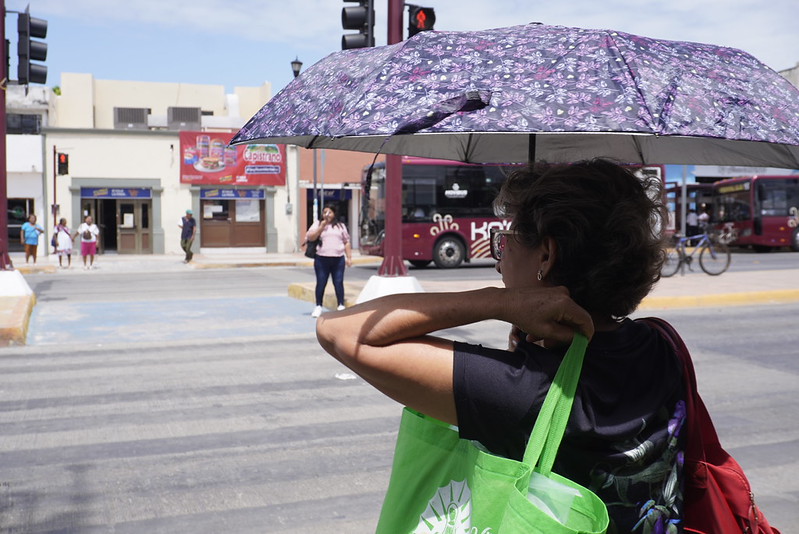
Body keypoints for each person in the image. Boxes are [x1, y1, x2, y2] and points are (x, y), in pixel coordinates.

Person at [316, 159, 685, 532]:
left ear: (546, 255)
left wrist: (500, 302)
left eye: (505, 243)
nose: (499, 262)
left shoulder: (522, 389)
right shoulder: (661, 344)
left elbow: (340, 331)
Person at [306, 204, 352, 318]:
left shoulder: (340, 226)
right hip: (322, 259)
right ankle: (318, 306)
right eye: (325, 212)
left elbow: (346, 242)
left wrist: (349, 257)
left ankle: (341, 305)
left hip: (338, 259)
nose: (327, 214)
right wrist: (321, 227)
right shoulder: (317, 224)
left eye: (329, 212)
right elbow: (310, 237)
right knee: (321, 283)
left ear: (334, 214)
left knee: (338, 282)